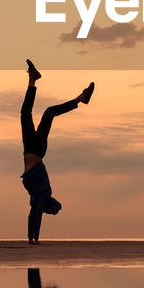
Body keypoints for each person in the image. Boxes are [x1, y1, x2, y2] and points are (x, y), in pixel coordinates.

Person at [20, 59, 94, 244]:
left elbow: (33, 214)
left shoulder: (37, 196)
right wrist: (34, 239)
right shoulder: (44, 192)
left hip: (29, 148)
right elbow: (36, 214)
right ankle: (80, 99)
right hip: (36, 151)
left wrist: (31, 239)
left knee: (25, 114)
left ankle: (32, 79)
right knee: (49, 113)